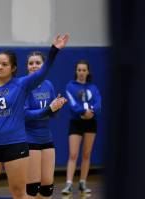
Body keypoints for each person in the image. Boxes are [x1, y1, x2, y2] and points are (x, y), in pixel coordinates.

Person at [0, 34, 69, 199]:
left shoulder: (21, 85)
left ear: (13, 68)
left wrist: (54, 50)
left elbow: (43, 72)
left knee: (20, 193)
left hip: (16, 144)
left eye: (4, 64)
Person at [24, 51, 67, 199]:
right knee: (32, 188)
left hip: (46, 138)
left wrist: (57, 106)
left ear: (43, 66)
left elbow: (53, 114)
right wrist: (49, 109)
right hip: (30, 139)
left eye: (38, 63)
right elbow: (25, 115)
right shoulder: (23, 86)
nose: (34, 66)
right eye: (31, 63)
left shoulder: (48, 85)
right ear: (27, 67)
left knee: (47, 188)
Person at [61, 60, 101, 195]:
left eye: (84, 70)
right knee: (73, 154)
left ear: (88, 72)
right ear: (76, 71)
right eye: (79, 70)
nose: (82, 73)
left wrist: (92, 112)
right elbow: (72, 103)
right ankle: (68, 184)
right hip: (76, 122)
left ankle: (83, 183)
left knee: (86, 154)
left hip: (91, 123)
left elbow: (98, 102)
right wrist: (83, 113)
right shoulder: (70, 86)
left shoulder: (93, 88)